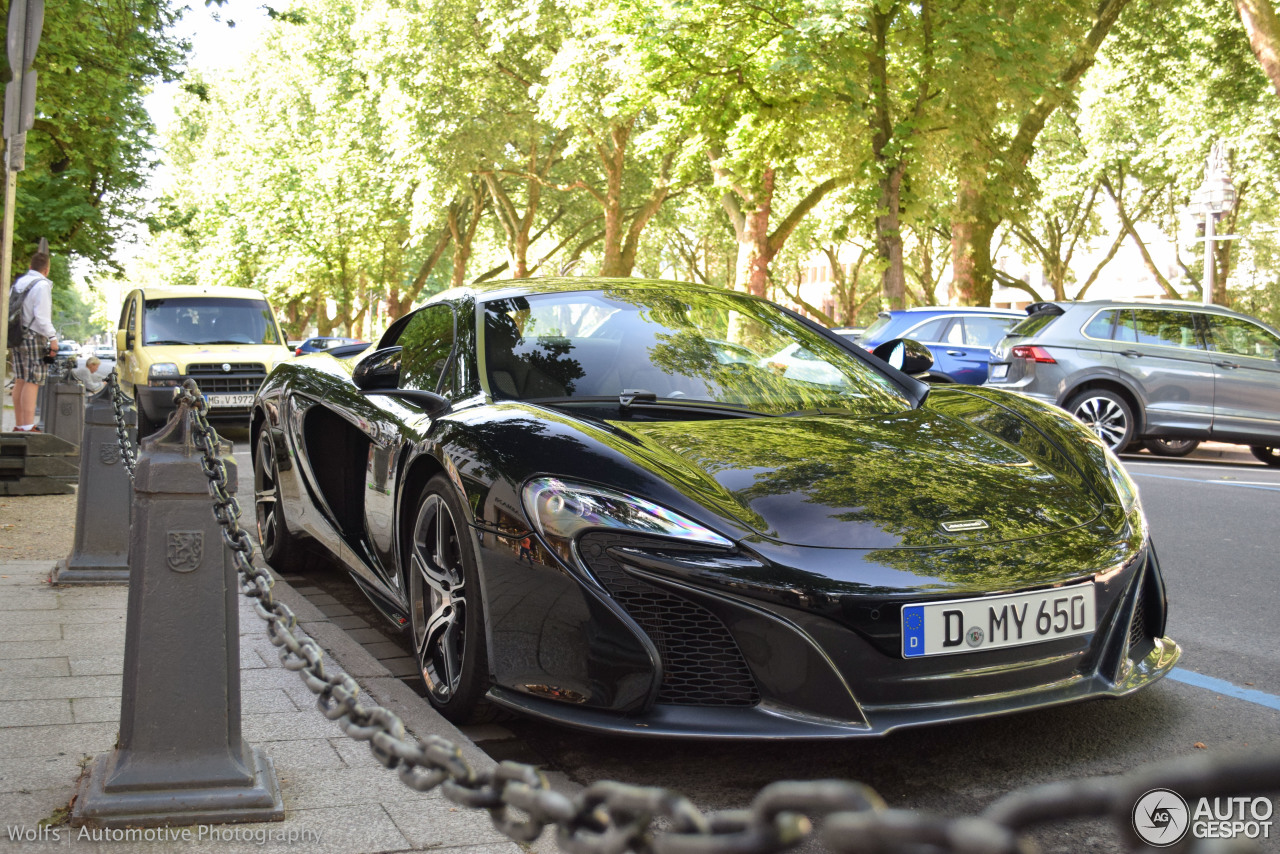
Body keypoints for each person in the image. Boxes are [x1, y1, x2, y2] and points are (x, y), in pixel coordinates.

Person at [7, 251, 56, 432]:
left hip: (17, 335)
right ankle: (28, 426)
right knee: (33, 380)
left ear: (30, 267)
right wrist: (53, 338)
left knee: (20, 379)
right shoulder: (42, 285)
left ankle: (19, 424)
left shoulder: (18, 283)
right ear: (46, 269)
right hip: (34, 336)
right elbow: (42, 317)